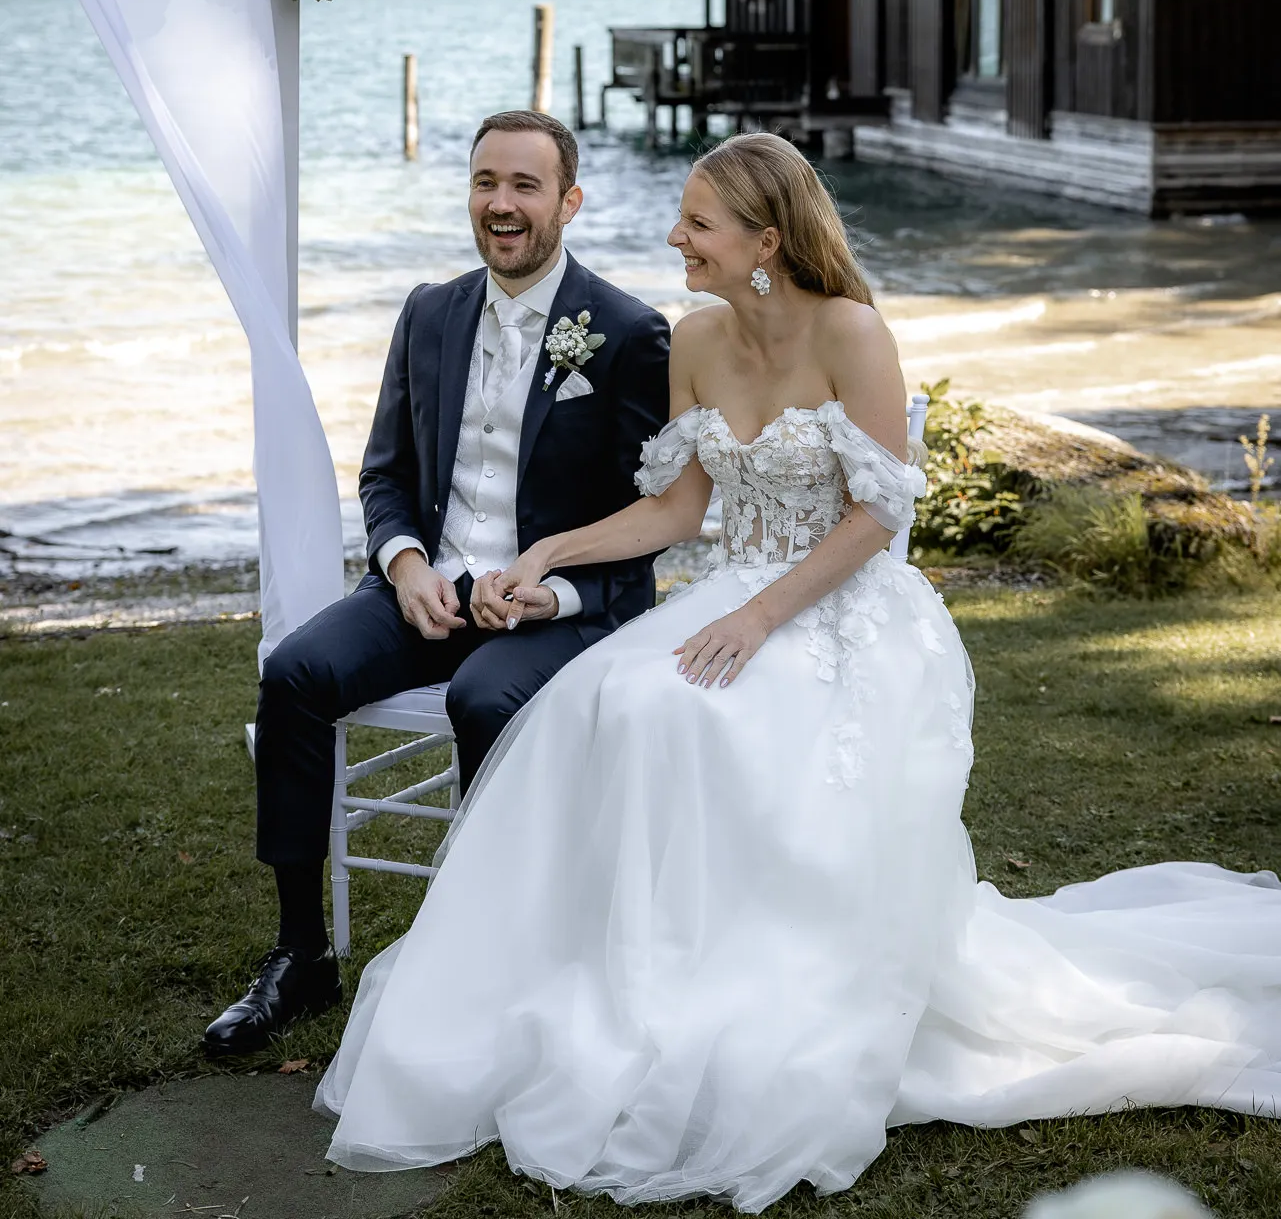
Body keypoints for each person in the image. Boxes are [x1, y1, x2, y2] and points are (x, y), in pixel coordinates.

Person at [318, 133, 1281, 1211]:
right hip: (735, 592)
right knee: (616, 701)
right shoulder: (695, 339)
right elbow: (679, 511)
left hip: (844, 611)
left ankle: (746, 984)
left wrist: (768, 615)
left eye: (697, 223)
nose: (675, 238)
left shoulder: (851, 332)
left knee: (708, 719)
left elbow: (881, 513)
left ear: (764, 239)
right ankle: (636, 976)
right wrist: (548, 553)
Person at [204, 111, 670, 1057]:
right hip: (428, 590)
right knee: (293, 674)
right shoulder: (428, 310)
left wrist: (550, 593)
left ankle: (505, 956)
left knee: (481, 696)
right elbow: (383, 473)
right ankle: (301, 954)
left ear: (568, 202)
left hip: (554, 607)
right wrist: (405, 562)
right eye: (484, 182)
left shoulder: (629, 333)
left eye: (524, 186)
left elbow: (648, 523)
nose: (500, 205)